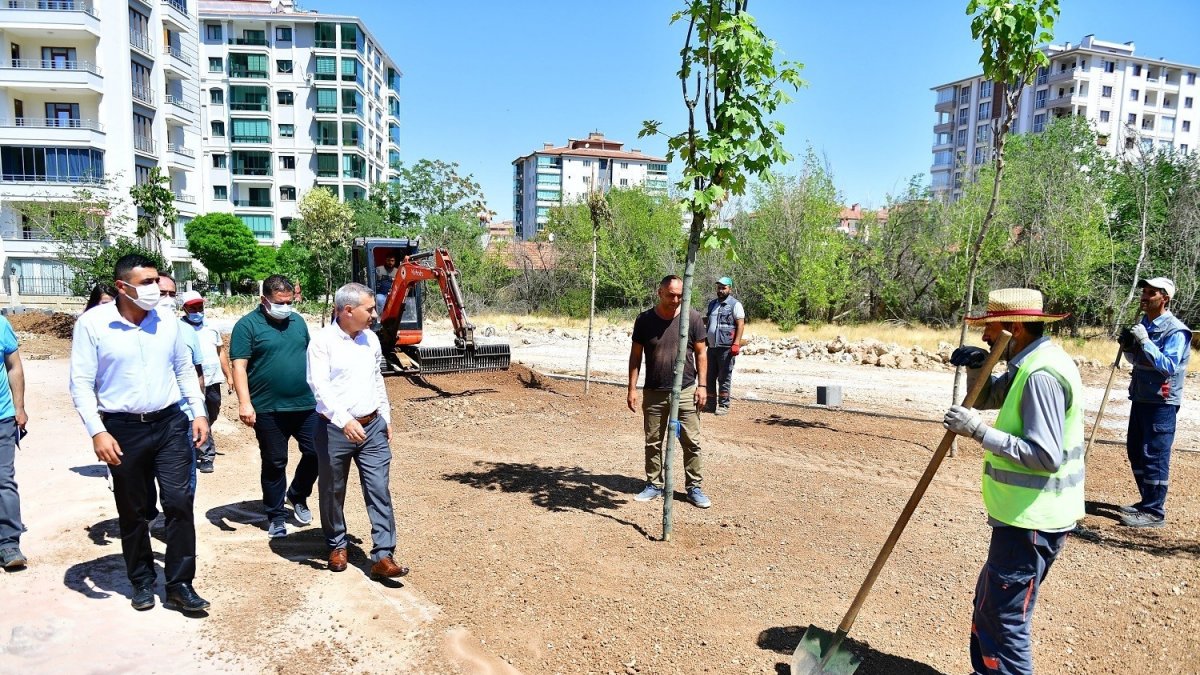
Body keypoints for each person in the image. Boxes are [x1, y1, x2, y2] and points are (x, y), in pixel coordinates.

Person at [942, 288, 1084, 675]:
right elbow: (989, 397)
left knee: (1005, 620)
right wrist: (978, 366)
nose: (985, 336)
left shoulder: (1041, 376)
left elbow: (1045, 455)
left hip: (1033, 521)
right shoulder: (1030, 363)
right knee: (990, 606)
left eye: (990, 328)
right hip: (1022, 517)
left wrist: (977, 431)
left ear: (1015, 328)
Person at [68, 254, 211, 613]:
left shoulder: (166, 321)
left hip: (170, 423)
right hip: (122, 428)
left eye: (156, 281)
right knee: (133, 510)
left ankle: (180, 584)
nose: (155, 289)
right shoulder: (93, 324)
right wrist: (97, 431)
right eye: (146, 283)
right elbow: (81, 383)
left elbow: (183, 369)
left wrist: (198, 412)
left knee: (179, 503)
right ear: (122, 287)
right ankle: (142, 581)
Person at [307, 283, 408, 579]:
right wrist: (344, 420)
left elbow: (377, 379)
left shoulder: (371, 340)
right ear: (348, 310)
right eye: (370, 309)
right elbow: (319, 387)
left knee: (378, 488)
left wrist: (385, 417)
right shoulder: (322, 342)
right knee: (332, 490)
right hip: (334, 429)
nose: (375, 315)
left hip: (372, 426)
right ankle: (337, 545)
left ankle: (383, 555)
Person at [230, 274, 319, 539]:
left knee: (317, 452)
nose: (285, 307)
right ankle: (276, 515)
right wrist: (245, 403)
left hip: (306, 404)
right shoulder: (247, 325)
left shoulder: (298, 322)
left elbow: (310, 357)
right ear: (264, 300)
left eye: (289, 302)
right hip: (268, 408)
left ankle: (298, 494)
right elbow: (239, 366)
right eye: (279, 302)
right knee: (275, 462)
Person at [627, 275, 711, 509]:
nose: (675, 300)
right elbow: (635, 356)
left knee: (691, 441)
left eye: (680, 296)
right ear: (660, 293)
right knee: (653, 441)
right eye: (671, 295)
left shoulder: (692, 318)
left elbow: (701, 353)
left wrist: (702, 386)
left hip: (685, 390)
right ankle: (654, 484)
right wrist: (632, 388)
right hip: (654, 391)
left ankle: (694, 488)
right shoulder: (644, 320)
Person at [1117, 277, 1191, 528]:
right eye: (1144, 292)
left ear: (1164, 299)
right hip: (1140, 397)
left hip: (1162, 403)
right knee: (1136, 451)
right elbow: (1138, 361)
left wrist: (1145, 341)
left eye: (1151, 293)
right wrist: (1129, 347)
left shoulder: (1176, 330)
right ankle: (1147, 501)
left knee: (1155, 455)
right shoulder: (1144, 324)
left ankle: (1154, 512)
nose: (1145, 297)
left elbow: (1168, 366)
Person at [180, 291, 232, 474]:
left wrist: (229, 375)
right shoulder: (179, 328)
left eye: (199, 307)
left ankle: (199, 440)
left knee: (212, 413)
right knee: (199, 414)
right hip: (192, 381)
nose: (197, 311)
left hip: (213, 379)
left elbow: (221, 351)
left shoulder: (212, 327)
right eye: (193, 308)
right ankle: (207, 455)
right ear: (184, 308)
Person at [0, 314, 28, 570]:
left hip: (2, 417)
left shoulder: (1, 325)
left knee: (3, 480)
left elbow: (14, 366)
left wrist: (19, 407)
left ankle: (9, 543)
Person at [704, 276, 745, 415]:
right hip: (711, 347)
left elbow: (740, 324)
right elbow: (709, 321)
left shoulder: (735, 305)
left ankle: (723, 405)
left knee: (724, 377)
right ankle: (710, 405)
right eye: (719, 288)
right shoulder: (712, 304)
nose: (720, 290)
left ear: (730, 289)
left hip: (726, 348)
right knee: (709, 377)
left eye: (723, 288)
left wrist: (736, 343)